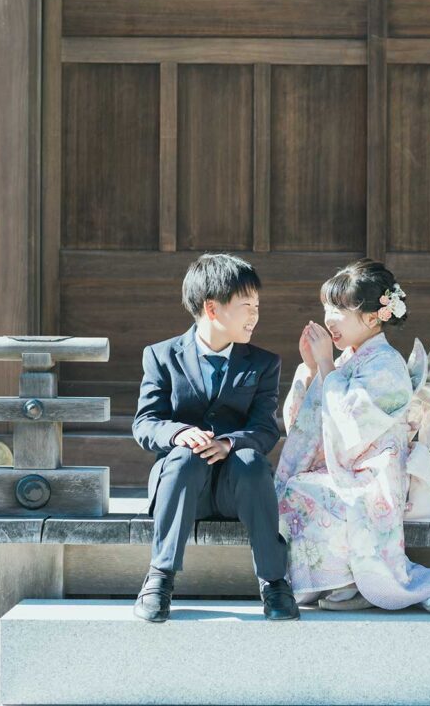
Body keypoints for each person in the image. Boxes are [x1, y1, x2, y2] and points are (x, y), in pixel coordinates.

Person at [276, 259, 430, 612]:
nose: (329, 319)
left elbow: (351, 426)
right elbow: (302, 423)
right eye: (326, 307)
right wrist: (312, 368)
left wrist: (326, 364)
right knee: (296, 487)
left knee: (313, 492)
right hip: (349, 467)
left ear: (373, 318)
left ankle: (348, 582)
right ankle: (329, 580)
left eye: (340, 309)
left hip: (375, 473)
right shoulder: (347, 361)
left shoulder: (386, 365)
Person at [131, 253, 299, 622]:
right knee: (184, 457)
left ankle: (274, 582)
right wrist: (180, 434)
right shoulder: (161, 357)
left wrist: (228, 444)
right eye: (245, 306)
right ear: (212, 308)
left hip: (236, 492)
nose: (255, 315)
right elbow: (145, 423)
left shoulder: (263, 363)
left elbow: (265, 429)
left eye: (257, 305)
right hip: (183, 487)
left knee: (252, 459)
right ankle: (159, 578)